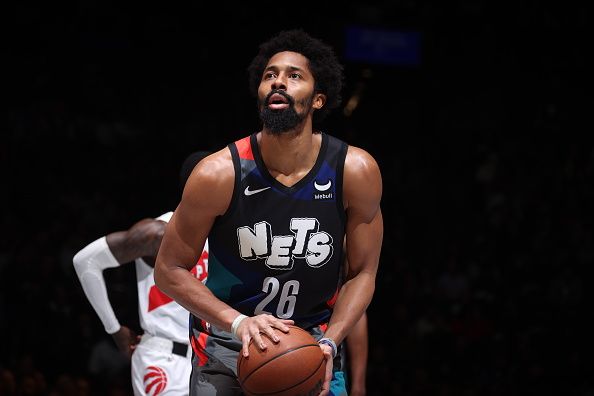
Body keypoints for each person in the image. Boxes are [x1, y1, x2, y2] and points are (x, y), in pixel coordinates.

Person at [154, 29, 383, 396]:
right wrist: (238, 322)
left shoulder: (354, 172)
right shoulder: (219, 174)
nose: (279, 81)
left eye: (294, 75)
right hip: (227, 344)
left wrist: (331, 342)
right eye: (270, 75)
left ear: (318, 99)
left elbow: (363, 273)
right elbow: (168, 270)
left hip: (312, 344)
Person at [72, 151, 211, 396]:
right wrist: (114, 329)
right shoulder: (158, 233)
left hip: (210, 361)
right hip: (165, 361)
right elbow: (85, 261)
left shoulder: (227, 236)